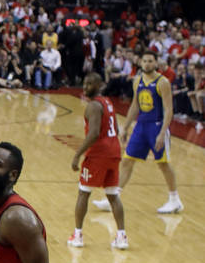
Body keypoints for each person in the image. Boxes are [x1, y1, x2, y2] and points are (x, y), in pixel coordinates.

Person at [93, 50, 182, 214]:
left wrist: (163, 133)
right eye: (145, 61)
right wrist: (125, 127)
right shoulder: (138, 81)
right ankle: (113, 198)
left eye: (150, 61)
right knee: (127, 160)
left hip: (157, 126)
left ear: (156, 63)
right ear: (140, 63)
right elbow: (135, 105)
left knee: (163, 163)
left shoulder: (163, 82)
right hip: (141, 126)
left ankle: (174, 199)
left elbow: (169, 110)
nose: (147, 64)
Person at [69, 73, 127, 249]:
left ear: (100, 85)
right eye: (85, 83)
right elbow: (115, 128)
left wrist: (78, 154)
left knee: (83, 192)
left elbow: (93, 133)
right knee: (113, 195)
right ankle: (121, 236)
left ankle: (78, 235)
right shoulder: (108, 102)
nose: (86, 87)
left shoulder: (94, 105)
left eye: (90, 84)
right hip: (114, 152)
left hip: (98, 154)